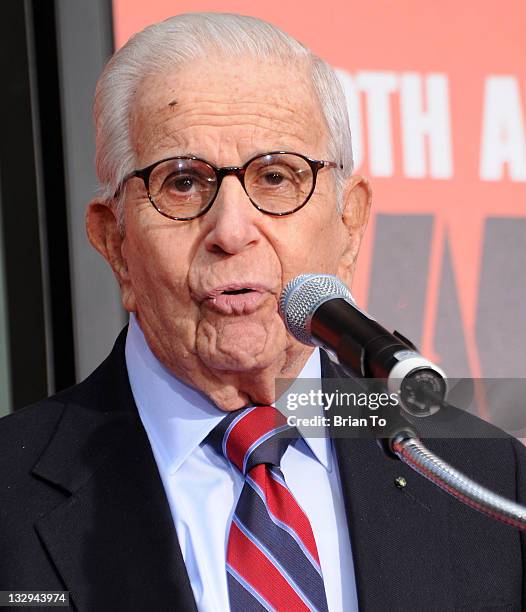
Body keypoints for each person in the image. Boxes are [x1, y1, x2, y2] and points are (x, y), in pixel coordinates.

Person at [0, 13, 525, 612]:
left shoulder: (486, 481)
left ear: (349, 224)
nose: (231, 230)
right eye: (182, 184)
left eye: (276, 177)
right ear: (115, 242)